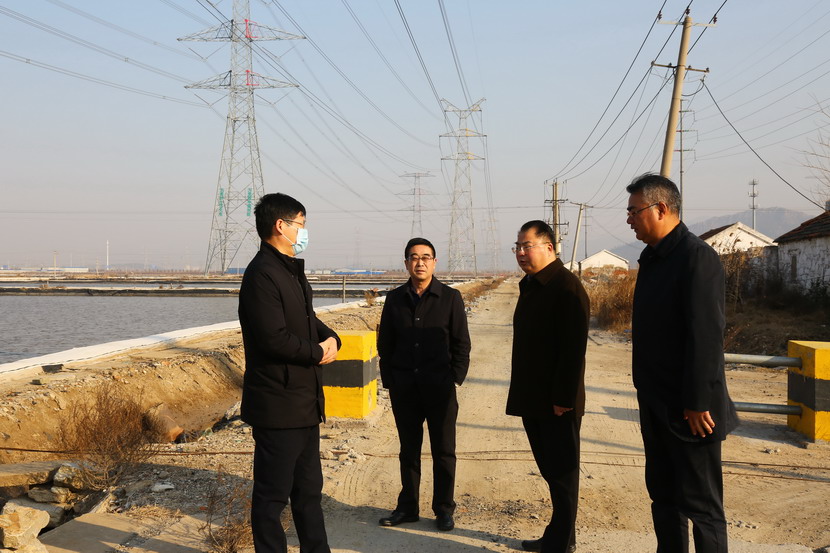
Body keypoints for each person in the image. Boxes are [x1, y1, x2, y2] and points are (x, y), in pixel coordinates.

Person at [626, 173, 738, 553]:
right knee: (664, 497)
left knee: (702, 505)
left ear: (661, 208)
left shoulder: (695, 257)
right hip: (655, 401)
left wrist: (697, 402)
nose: (629, 219)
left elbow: (706, 336)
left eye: (634, 211)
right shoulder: (653, 258)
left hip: (690, 410)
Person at [238, 192, 341, 553]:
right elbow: (273, 338)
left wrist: (332, 337)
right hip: (278, 406)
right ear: (281, 226)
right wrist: (317, 353)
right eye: (301, 224)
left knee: (309, 492)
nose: (304, 231)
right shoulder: (261, 275)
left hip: (304, 404)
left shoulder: (290, 271)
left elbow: (307, 321)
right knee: (271, 498)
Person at [376, 237, 471, 532]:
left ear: (435, 262)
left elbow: (461, 343)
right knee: (409, 450)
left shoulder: (450, 298)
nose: (420, 262)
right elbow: (385, 343)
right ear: (406, 263)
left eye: (426, 257)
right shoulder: (395, 299)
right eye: (414, 257)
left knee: (444, 451)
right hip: (405, 388)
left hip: (440, 388)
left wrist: (454, 378)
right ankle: (408, 507)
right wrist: (391, 380)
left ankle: (443, 509)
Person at [507, 220, 589, 553]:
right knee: (552, 472)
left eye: (527, 246)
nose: (521, 253)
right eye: (518, 247)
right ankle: (561, 537)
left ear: (549, 247)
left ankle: (560, 543)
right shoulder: (533, 285)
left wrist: (563, 398)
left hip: (557, 403)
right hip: (534, 398)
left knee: (563, 475)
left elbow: (573, 350)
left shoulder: (566, 287)